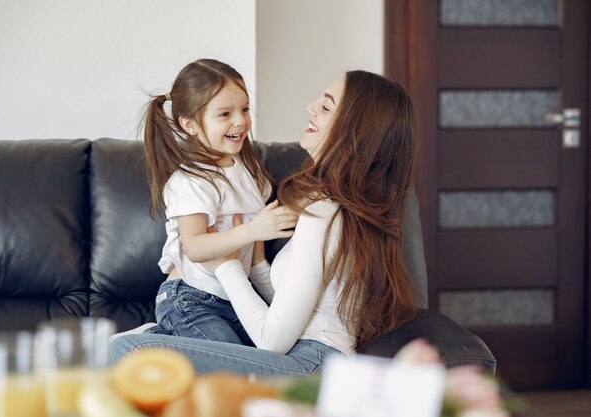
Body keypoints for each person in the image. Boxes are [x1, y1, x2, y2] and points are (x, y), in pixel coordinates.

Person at [111, 70, 419, 376]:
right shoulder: (340, 208)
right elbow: (291, 309)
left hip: (310, 363)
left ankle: (154, 339)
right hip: (307, 357)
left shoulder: (324, 213)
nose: (310, 107)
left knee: (127, 352)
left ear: (355, 131)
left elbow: (272, 340)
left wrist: (227, 266)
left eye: (326, 107)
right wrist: (255, 263)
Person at [141, 58, 298, 345]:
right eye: (224, 114)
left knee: (269, 361)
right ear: (189, 124)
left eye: (244, 109)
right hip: (189, 298)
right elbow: (195, 246)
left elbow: (255, 261)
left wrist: (281, 307)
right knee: (234, 370)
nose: (240, 121)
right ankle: (146, 346)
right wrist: (253, 230)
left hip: (233, 301)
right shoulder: (191, 181)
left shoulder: (251, 175)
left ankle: (160, 343)